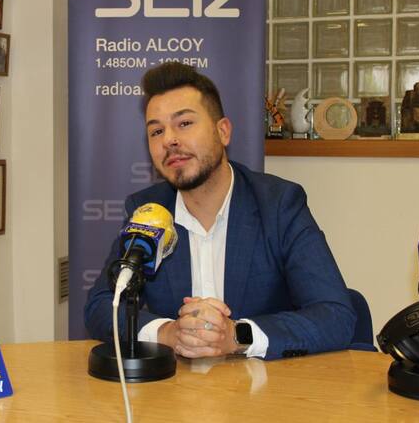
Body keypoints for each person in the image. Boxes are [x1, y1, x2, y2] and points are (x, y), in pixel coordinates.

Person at [84, 63, 356, 360]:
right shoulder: (149, 213)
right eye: (156, 131)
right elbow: (101, 305)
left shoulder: (279, 205)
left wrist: (237, 335)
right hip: (177, 386)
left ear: (223, 131)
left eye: (184, 123)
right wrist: (167, 333)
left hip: (264, 384)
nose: (169, 140)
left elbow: (335, 315)